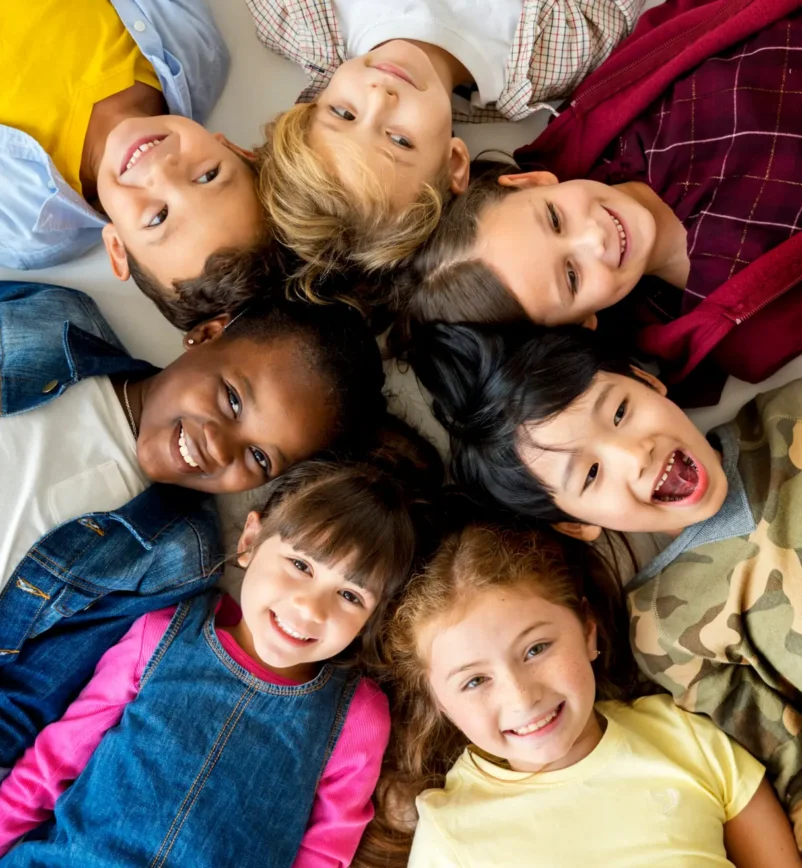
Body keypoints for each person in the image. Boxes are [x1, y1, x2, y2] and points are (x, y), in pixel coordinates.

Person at [406, 317, 802, 844]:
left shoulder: (789, 413)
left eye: (620, 411)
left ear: (647, 381)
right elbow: (787, 767)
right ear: (575, 522)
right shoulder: (664, 628)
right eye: (590, 475)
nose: (636, 453)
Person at [0, 432, 444, 866]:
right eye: (300, 564)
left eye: (350, 596)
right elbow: (51, 763)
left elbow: (326, 852)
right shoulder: (160, 634)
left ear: (375, 617)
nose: (310, 608)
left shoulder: (357, 716)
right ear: (250, 541)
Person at [0, 279, 386, 774]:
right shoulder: (56, 322)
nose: (221, 448)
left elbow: (24, 699)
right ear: (206, 333)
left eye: (260, 457)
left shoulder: (174, 560)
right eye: (231, 399)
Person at [394, 0, 802, 404]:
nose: (593, 237)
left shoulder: (620, 112)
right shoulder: (749, 334)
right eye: (571, 276)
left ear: (532, 182)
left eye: (554, 219)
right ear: (582, 323)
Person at [360, 522, 800, 866]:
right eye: (474, 681)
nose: (521, 696)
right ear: (441, 703)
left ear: (588, 631)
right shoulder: (449, 834)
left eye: (536, 649)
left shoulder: (684, 736)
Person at [245, 0, 644, 301]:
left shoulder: (298, 17)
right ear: (454, 162)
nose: (380, 97)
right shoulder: (556, 53)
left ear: (312, 103)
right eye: (400, 141)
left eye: (344, 113)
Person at [0, 1, 266, 312]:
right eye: (208, 175)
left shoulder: (18, 229)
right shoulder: (196, 50)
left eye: (157, 218)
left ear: (118, 247)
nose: (161, 170)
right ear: (233, 148)